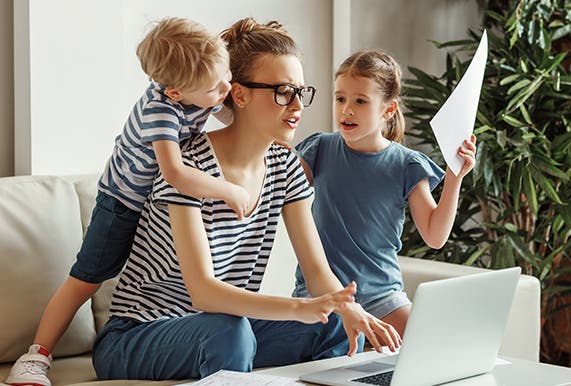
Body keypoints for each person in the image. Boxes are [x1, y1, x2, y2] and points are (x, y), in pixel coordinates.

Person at [91, 18, 401, 381]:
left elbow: (317, 272)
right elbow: (203, 293)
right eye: (284, 91)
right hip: (138, 334)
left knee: (332, 323)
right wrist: (298, 306)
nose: (297, 104)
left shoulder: (285, 165)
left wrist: (350, 309)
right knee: (230, 331)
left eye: (301, 91)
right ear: (239, 94)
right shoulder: (188, 165)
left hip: (220, 328)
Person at [5, 17, 248, 386]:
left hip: (151, 206)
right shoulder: (159, 112)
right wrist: (229, 189)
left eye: (227, 75)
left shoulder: (200, 88)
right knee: (84, 281)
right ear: (176, 93)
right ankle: (36, 355)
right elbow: (175, 173)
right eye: (217, 87)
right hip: (121, 205)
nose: (227, 89)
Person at [292, 49, 477, 337]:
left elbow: (435, 236)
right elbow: (274, 188)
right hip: (320, 297)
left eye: (360, 101)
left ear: (388, 110)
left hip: (383, 298)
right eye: (340, 98)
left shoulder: (407, 165)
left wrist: (455, 176)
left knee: (429, 344)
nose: (346, 110)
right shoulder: (319, 150)